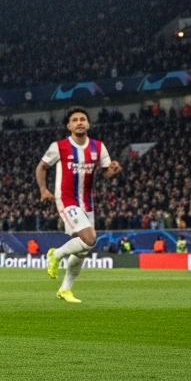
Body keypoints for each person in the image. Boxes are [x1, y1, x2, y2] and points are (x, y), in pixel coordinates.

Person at [38, 106, 122, 303]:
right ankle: (56, 254)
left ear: (88, 123)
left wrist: (114, 171)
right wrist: (43, 189)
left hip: (87, 201)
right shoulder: (59, 147)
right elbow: (42, 167)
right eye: (74, 120)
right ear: (69, 125)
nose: (79, 122)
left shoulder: (98, 147)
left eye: (82, 119)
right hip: (66, 199)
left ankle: (65, 290)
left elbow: (105, 173)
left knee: (83, 249)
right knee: (90, 237)